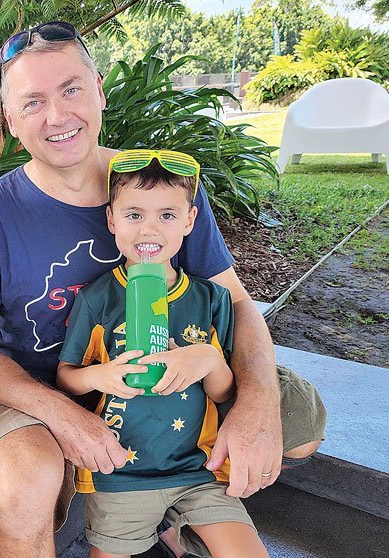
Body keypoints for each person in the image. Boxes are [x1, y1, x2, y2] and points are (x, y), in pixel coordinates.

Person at [0, 21, 326, 557]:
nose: (57, 116)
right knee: (26, 480)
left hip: (175, 365)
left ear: (99, 89)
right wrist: (64, 413)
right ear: (10, 119)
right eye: (32, 102)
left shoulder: (154, 187)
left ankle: (176, 505)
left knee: (299, 426)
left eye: (71, 89)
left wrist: (256, 399)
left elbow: (237, 301)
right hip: (39, 388)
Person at [56, 150, 268, 558]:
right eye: (134, 215)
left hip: (198, 471)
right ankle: (167, 535)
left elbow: (223, 394)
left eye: (167, 216)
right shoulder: (98, 298)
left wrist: (209, 358)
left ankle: (173, 533)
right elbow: (67, 374)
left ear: (190, 221)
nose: (149, 229)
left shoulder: (211, 299)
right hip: (121, 473)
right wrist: (101, 376)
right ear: (112, 220)